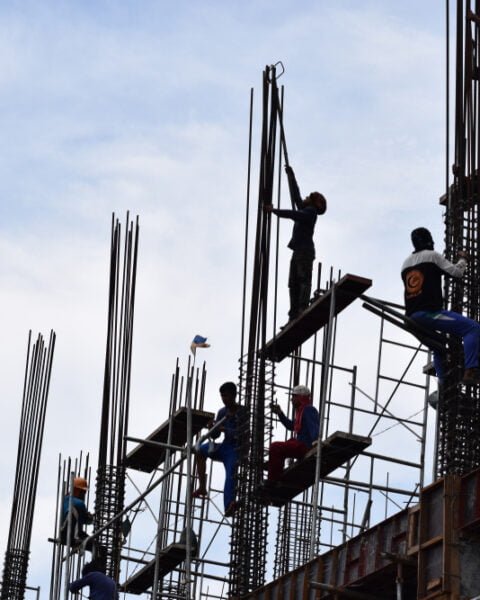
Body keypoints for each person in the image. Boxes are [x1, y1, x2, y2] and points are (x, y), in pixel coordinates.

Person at [401, 227, 480, 385]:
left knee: (439, 346)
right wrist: (463, 259)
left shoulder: (405, 264)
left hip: (411, 317)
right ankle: (471, 371)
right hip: (429, 314)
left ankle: (442, 385)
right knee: (472, 328)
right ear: (428, 241)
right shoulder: (432, 256)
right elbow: (457, 272)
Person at [265, 165, 327, 322]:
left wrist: (274, 211)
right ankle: (294, 313)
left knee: (301, 280)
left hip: (304, 252)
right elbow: (296, 196)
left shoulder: (310, 212)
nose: (305, 197)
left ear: (315, 203)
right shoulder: (306, 209)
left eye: (309, 197)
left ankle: (300, 309)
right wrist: (291, 176)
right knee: (293, 283)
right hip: (299, 251)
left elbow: (293, 213)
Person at [192, 382, 247, 517]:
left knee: (230, 475)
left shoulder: (243, 412)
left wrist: (225, 429)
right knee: (199, 451)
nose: (224, 399)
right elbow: (216, 435)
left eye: (226, 396)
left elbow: (244, 435)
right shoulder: (222, 412)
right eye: (222, 396)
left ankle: (229, 504)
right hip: (225, 446)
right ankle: (202, 487)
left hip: (237, 448)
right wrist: (212, 428)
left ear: (234, 396)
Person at [266, 385, 320, 482]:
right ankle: (274, 467)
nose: (291, 399)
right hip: (300, 443)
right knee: (283, 446)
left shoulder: (309, 410)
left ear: (300, 397)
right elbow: (291, 425)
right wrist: (280, 413)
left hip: (304, 445)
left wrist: (315, 442)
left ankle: (273, 480)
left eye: (294, 396)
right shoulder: (302, 411)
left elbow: (314, 427)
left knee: (275, 447)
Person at [60, 476, 94, 550]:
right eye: (83, 492)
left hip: (63, 534)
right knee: (97, 547)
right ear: (77, 490)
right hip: (74, 537)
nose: (84, 495)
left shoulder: (65, 500)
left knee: (93, 544)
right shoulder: (79, 503)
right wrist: (92, 518)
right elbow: (87, 520)